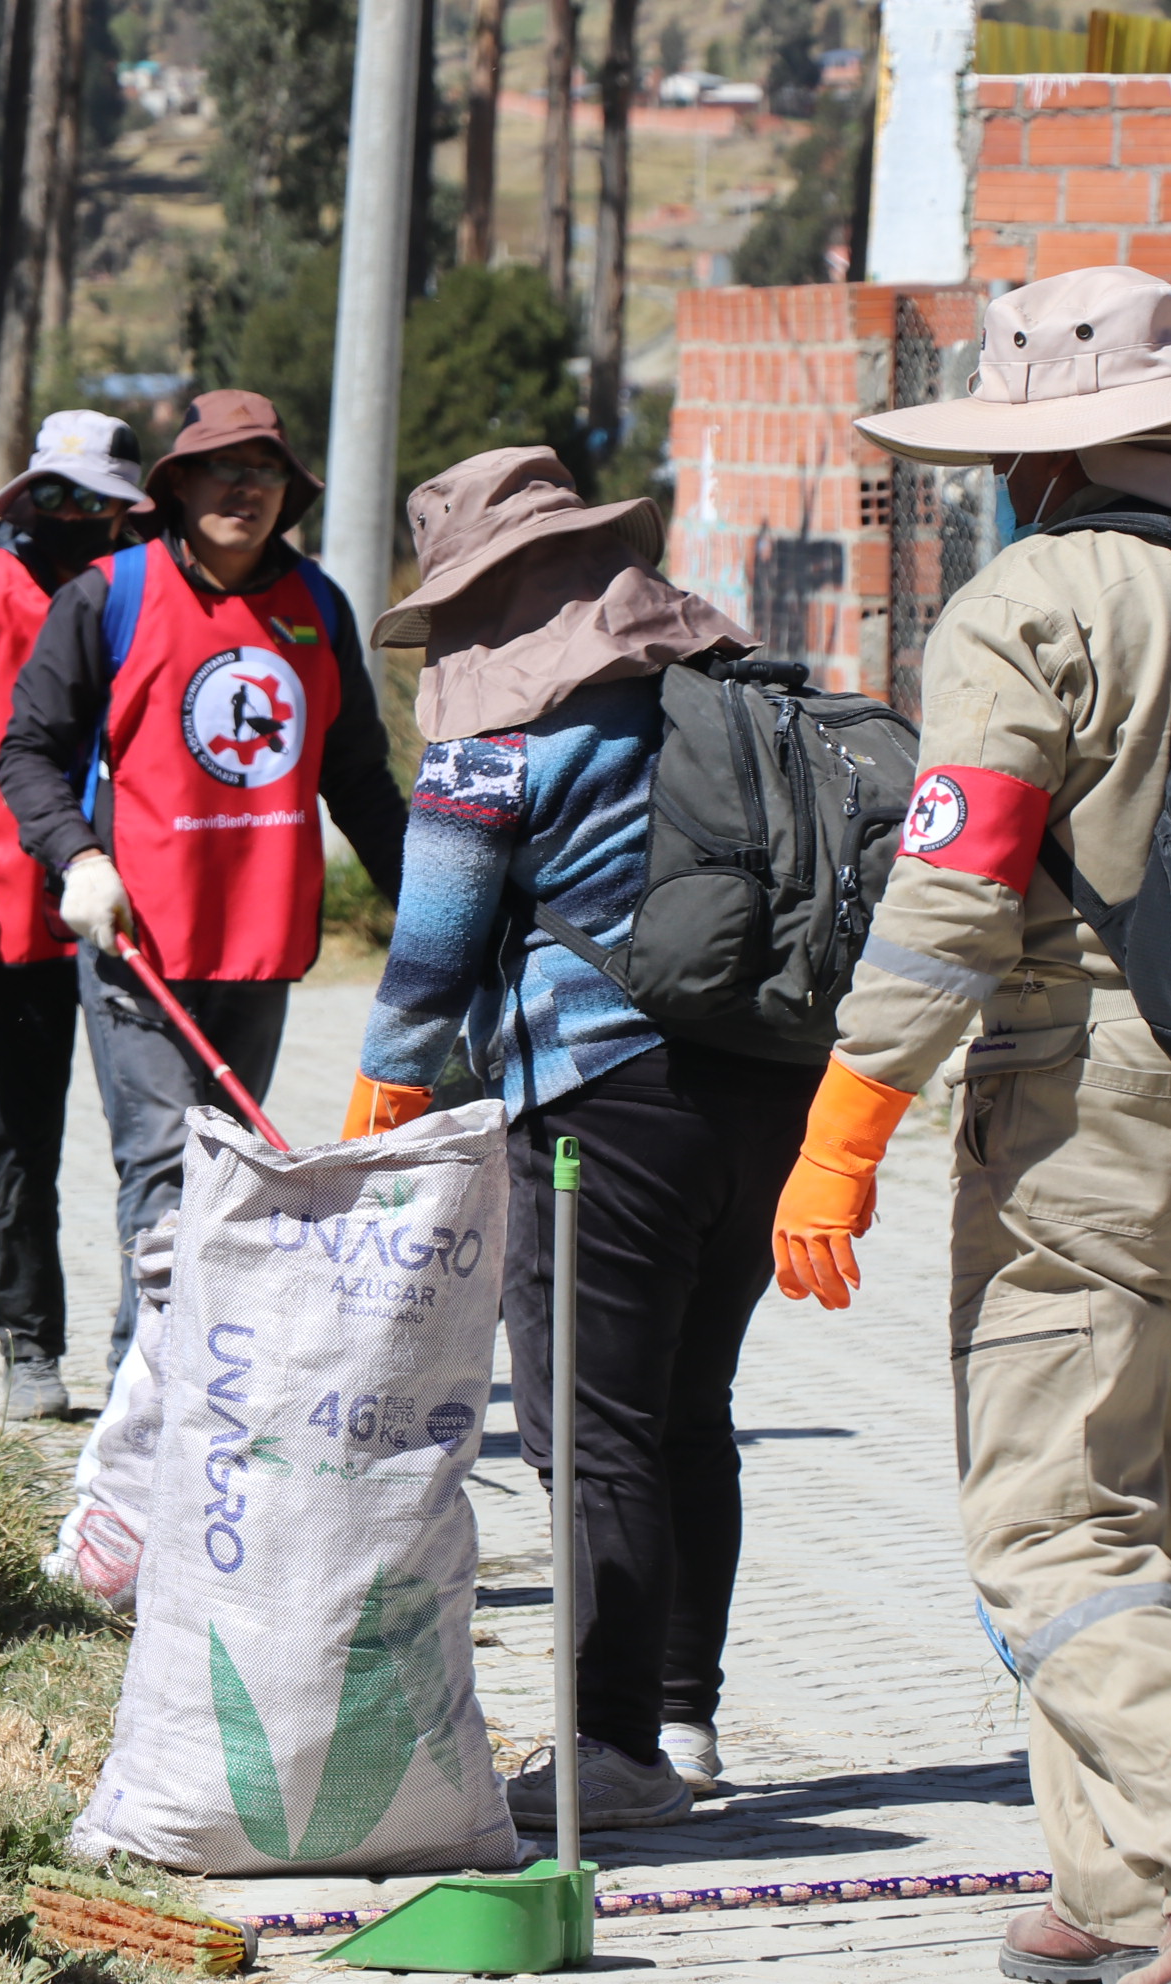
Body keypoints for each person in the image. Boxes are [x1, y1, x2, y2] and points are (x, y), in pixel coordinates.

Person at [780, 267, 1171, 1984]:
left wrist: (847, 1121)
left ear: (1035, 457)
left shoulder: (1041, 597)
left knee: (1040, 1524)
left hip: (1093, 1121)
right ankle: (1117, 1883)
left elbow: (953, 891)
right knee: (1166, 1524)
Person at [344, 446, 801, 1831]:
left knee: (588, 1430)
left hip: (603, 1104)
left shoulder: (498, 740)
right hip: (766, 1091)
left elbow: (429, 960)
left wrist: (378, 1112)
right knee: (687, 1416)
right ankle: (683, 1719)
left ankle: (612, 1752)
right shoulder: (707, 696)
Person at [0, 389, 408, 1371]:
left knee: (223, 1176)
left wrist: (435, 912)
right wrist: (80, 858)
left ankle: (176, 1372)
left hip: (258, 948)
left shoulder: (317, 606)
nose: (242, 489)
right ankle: (157, 1406)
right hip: (138, 944)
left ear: (286, 493)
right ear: (177, 486)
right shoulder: (108, 595)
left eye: (263, 471)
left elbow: (357, 780)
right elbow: (26, 755)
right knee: (164, 1172)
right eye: (222, 469)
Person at [0, 411, 149, 1419]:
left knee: (163, 1148)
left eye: (99, 500)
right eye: (58, 495)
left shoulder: (157, 589)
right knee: (20, 1146)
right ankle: (29, 1346)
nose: (76, 516)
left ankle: (161, 1352)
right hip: (10, 914)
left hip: (143, 914)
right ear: (27, 496)